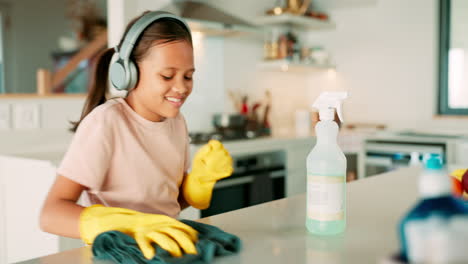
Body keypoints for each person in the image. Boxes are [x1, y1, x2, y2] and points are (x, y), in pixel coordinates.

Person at [39, 11, 233, 260]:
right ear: (128, 72)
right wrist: (118, 223)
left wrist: (197, 186)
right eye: (167, 76)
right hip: (120, 253)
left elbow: (167, 201)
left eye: (188, 76)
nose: (182, 87)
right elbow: (51, 214)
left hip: (165, 250)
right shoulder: (106, 122)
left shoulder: (177, 122)